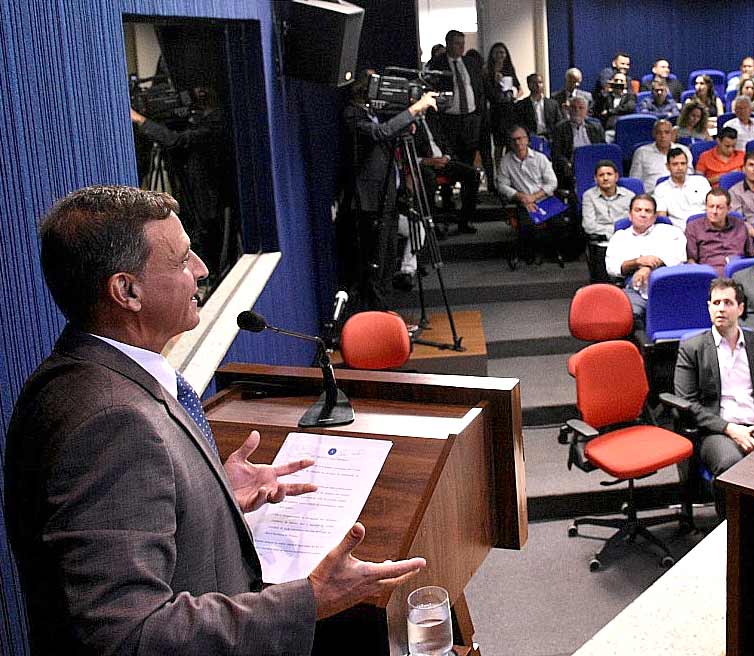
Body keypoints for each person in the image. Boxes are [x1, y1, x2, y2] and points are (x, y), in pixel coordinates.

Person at [5, 185, 426, 655]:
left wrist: (211, 493)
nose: (202, 270)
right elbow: (126, 637)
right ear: (127, 291)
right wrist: (308, 601)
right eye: (183, 260)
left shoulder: (88, 374)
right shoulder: (110, 422)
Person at [673, 277, 754, 510]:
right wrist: (730, 429)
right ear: (709, 307)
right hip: (718, 431)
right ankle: (730, 536)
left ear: (741, 308)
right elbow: (688, 403)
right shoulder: (692, 348)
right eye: (716, 303)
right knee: (731, 465)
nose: (721, 308)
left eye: (727, 302)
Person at [339, 82, 438, 312]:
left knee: (388, 259)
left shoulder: (375, 114)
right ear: (362, 89)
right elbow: (379, 133)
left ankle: (384, 311)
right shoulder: (353, 114)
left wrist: (409, 123)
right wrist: (413, 110)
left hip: (390, 197)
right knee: (375, 261)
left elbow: (388, 133)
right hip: (371, 201)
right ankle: (375, 315)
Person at [130, 86, 235, 286]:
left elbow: (175, 141)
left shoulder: (215, 123)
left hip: (208, 196)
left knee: (208, 235)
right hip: (197, 191)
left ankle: (211, 279)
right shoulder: (198, 118)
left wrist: (141, 121)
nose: (198, 95)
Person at [604, 193, 687, 328]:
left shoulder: (670, 232)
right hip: (634, 289)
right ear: (630, 215)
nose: (642, 214)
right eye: (638, 210)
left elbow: (678, 256)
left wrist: (648, 267)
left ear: (654, 217)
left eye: (647, 211)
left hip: (667, 289)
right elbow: (612, 268)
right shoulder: (620, 237)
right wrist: (638, 262)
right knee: (627, 317)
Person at [496, 126, 563, 264]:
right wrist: (519, 196)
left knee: (559, 223)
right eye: (514, 140)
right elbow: (501, 185)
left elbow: (552, 182)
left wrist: (534, 197)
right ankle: (530, 254)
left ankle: (551, 253)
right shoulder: (506, 161)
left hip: (544, 199)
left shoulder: (540, 158)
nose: (518, 143)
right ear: (510, 143)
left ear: (527, 140)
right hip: (522, 201)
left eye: (521, 138)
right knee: (527, 226)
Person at [414, 102, 481, 238]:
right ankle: (430, 226)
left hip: (443, 161)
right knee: (428, 180)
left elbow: (445, 142)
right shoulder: (407, 123)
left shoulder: (432, 119)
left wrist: (446, 156)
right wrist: (429, 161)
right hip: (424, 164)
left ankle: (464, 220)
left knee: (472, 174)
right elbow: (406, 154)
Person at [428, 30, 484, 184]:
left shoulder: (470, 63)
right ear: (448, 44)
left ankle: (469, 194)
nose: (461, 47)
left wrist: (478, 113)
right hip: (449, 119)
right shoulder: (438, 63)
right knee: (450, 157)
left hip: (470, 117)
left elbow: (478, 88)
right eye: (457, 43)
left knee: (468, 157)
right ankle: (448, 196)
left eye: (462, 43)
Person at [581, 159, 635, 282]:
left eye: (609, 174)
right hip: (602, 241)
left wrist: (619, 235)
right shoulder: (588, 196)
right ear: (595, 179)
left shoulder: (629, 196)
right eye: (601, 175)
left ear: (616, 177)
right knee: (601, 254)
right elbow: (588, 225)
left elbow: (634, 221)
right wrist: (614, 232)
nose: (605, 178)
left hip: (626, 240)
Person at [684, 188, 753, 272]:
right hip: (709, 275)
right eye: (711, 206)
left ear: (728, 209)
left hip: (739, 272)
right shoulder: (694, 227)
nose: (714, 211)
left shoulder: (740, 225)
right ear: (706, 207)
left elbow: (751, 255)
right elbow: (691, 260)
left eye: (719, 207)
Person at [551, 96, 604, 191]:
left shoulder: (596, 127)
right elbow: (556, 154)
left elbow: (603, 149)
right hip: (572, 166)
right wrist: (567, 164)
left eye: (581, 108)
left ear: (586, 111)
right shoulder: (560, 128)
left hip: (593, 163)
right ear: (568, 110)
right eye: (573, 107)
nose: (577, 111)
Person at [654, 148, 711, 231]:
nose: (680, 167)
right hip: (680, 232)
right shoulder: (661, 189)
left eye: (683, 163)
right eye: (675, 164)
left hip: (706, 228)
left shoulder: (701, 181)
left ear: (687, 165)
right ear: (668, 166)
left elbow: (713, 207)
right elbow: (662, 218)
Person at [483, 42, 521, 161]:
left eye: (502, 52)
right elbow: (486, 91)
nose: (500, 55)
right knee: (499, 144)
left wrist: (514, 95)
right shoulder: (487, 70)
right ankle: (499, 169)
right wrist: (495, 80)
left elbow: (519, 88)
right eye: (497, 52)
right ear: (492, 54)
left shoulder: (509, 68)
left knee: (510, 142)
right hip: (496, 111)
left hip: (509, 110)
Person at [629, 119, 691, 192]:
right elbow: (635, 182)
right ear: (654, 134)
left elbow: (690, 176)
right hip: (652, 196)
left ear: (672, 134)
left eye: (667, 132)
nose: (663, 136)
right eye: (659, 133)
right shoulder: (642, 152)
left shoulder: (684, 150)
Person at [514, 72, 561, 138]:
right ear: (528, 85)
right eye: (534, 83)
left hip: (551, 139)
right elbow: (519, 125)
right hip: (530, 139)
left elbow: (559, 124)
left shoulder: (553, 104)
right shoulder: (521, 105)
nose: (538, 85)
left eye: (540, 82)